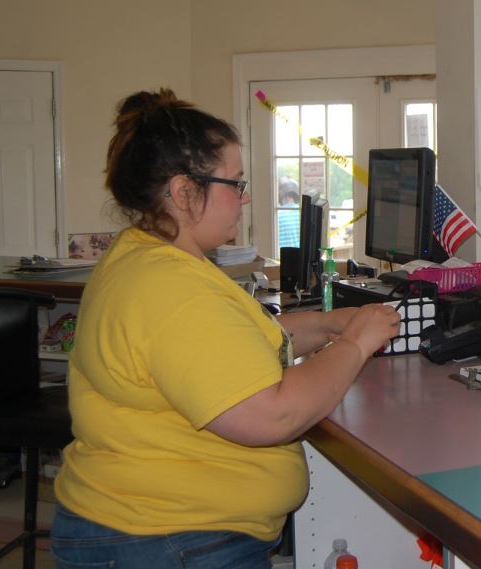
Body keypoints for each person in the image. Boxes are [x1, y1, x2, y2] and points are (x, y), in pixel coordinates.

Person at [51, 88, 399, 568]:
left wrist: (333, 324)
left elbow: (234, 346)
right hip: (165, 540)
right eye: (235, 183)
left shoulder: (149, 256)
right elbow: (269, 415)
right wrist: (356, 345)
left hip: (154, 531)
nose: (246, 196)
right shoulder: (170, 287)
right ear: (183, 191)